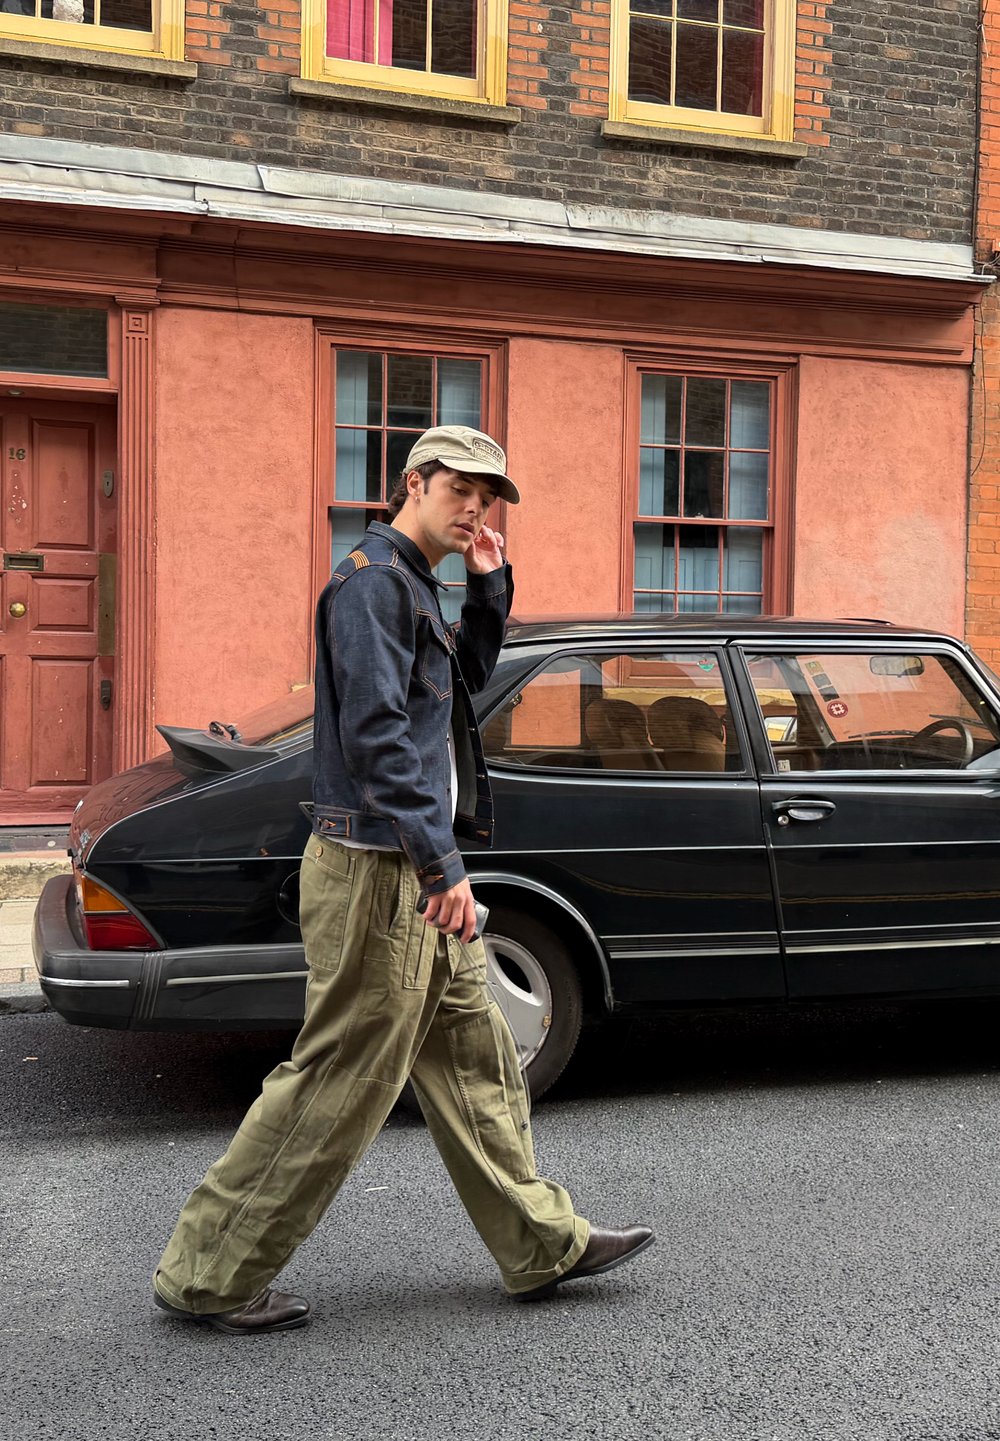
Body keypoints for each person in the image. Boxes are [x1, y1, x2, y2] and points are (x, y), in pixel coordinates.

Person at [152, 425, 654, 1334]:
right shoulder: (373, 584)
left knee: (477, 1058)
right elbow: (379, 739)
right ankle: (210, 1273)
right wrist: (442, 863)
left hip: (410, 872)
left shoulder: (415, 582)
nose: (476, 507)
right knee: (338, 1077)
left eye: (489, 496)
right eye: (461, 488)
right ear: (412, 482)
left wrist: (489, 588)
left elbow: (456, 687)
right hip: (384, 875)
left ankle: (541, 1242)